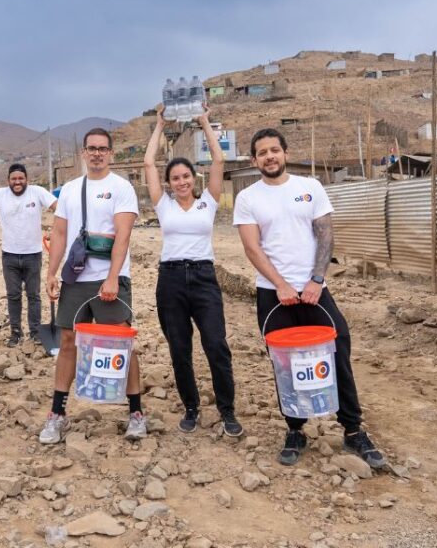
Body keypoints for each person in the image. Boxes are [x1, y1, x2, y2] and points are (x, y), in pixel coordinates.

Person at [233, 128, 386, 468]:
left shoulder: (310, 187)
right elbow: (251, 247)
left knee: (338, 348)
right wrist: (281, 285)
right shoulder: (248, 198)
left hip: (316, 291)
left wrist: (317, 280)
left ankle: (352, 430)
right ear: (254, 160)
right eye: (262, 152)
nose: (269, 156)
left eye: (275, 149)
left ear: (285, 153)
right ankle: (295, 429)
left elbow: (326, 235)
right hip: (274, 295)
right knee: (284, 363)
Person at [39, 128, 143, 444]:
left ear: (110, 152)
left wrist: (113, 277)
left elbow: (123, 235)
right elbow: (59, 234)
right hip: (76, 277)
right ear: (84, 153)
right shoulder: (70, 190)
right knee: (68, 340)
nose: (97, 153)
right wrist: (51, 272)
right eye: (91, 149)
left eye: (102, 148)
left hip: (109, 278)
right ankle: (57, 414)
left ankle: (136, 413)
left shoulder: (122, 188)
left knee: (122, 342)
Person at [143, 106, 242, 436]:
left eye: (186, 176)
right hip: (170, 280)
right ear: (169, 183)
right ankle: (191, 406)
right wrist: (158, 125)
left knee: (216, 344)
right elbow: (148, 163)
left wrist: (203, 122)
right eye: (175, 178)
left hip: (203, 278)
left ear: (193, 179)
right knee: (179, 349)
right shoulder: (163, 205)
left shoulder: (209, 202)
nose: (181, 181)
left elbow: (218, 161)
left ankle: (227, 410)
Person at [0, 163, 57, 347]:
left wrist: (56, 230)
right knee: (13, 295)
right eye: (14, 179)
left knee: (33, 295)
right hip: (9, 255)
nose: (17, 182)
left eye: (21, 178)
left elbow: (59, 207)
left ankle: (35, 332)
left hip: (33, 254)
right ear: (8, 180)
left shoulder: (37, 192)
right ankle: (15, 333)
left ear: (27, 180)